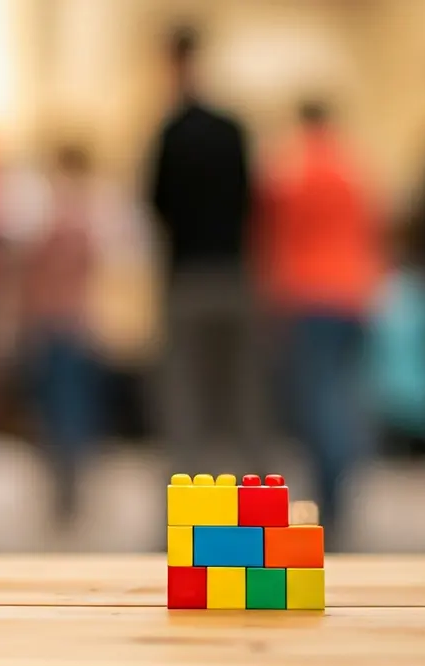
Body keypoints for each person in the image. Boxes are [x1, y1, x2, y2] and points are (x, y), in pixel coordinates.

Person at [256, 100, 384, 545]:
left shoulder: (289, 172)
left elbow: (271, 236)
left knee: (319, 399)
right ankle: (345, 484)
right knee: (347, 394)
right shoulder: (355, 168)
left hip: (308, 294)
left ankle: (329, 493)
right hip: (354, 293)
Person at [142, 25, 265, 484]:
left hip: (188, 275)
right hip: (233, 272)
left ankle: (187, 515)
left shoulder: (171, 133)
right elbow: (252, 201)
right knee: (242, 398)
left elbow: (155, 205)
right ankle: (254, 515)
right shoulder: (233, 131)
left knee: (186, 399)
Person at [22, 145, 102, 537]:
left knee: (58, 407)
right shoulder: (87, 215)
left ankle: (63, 486)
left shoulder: (51, 215)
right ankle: (69, 486)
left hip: (54, 320)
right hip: (75, 319)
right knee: (70, 406)